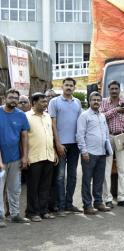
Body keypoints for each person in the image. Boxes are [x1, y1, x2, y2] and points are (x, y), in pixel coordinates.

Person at [48, 77, 82, 216]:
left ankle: (69, 204)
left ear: (74, 87)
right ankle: (60, 206)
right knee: (60, 177)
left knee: (73, 176)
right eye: (66, 85)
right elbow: (53, 124)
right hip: (61, 145)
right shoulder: (54, 102)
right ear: (62, 87)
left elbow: (80, 124)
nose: (68, 87)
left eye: (71, 85)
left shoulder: (77, 102)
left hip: (75, 145)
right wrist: (58, 143)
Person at [77, 92, 112, 215]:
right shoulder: (84, 116)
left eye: (98, 99)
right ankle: (87, 205)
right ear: (89, 101)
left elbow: (106, 133)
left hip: (102, 152)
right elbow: (80, 135)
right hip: (89, 153)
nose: (96, 101)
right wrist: (84, 151)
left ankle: (98, 202)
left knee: (99, 180)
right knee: (87, 180)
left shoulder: (102, 116)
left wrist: (108, 149)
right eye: (94, 100)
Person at [101, 80, 124, 208]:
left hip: (122, 137)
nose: (114, 91)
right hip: (108, 137)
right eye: (112, 89)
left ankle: (122, 198)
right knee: (106, 169)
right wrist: (116, 110)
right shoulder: (104, 102)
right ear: (108, 90)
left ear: (120, 90)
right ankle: (108, 199)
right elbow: (101, 117)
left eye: (116, 88)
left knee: (122, 169)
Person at [0, 89, 30, 228]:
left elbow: (24, 136)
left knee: (15, 188)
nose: (13, 100)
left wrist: (24, 156)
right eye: (10, 97)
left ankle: (15, 215)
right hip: (1, 158)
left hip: (15, 157)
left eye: (16, 98)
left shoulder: (21, 115)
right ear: (5, 98)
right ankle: (0, 217)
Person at [26, 92, 56, 222]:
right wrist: (24, 156)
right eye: (42, 102)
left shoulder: (47, 116)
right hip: (33, 157)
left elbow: (51, 136)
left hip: (48, 156)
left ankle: (44, 211)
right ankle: (32, 212)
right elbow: (23, 138)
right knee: (33, 187)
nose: (45, 104)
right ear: (33, 103)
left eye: (46, 102)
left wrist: (54, 152)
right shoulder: (26, 117)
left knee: (45, 186)